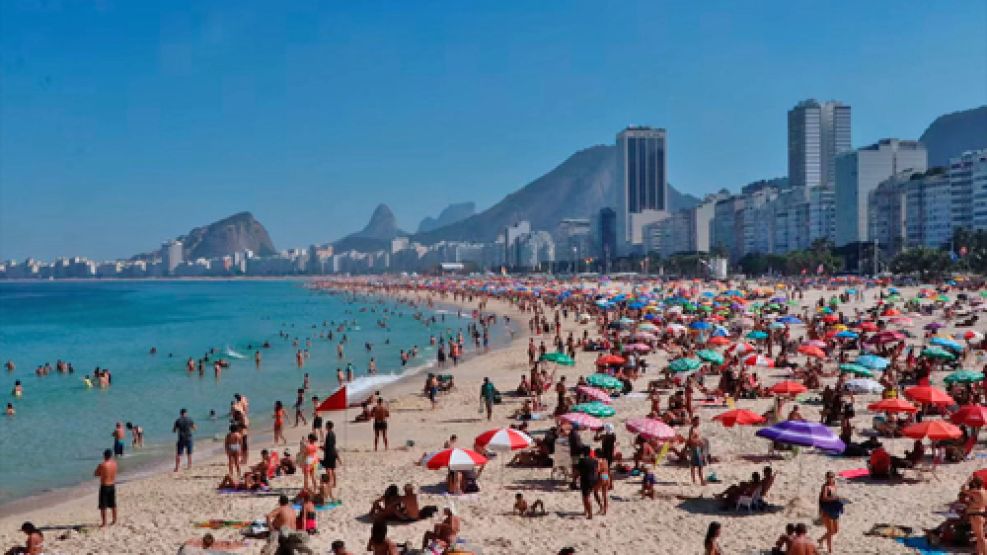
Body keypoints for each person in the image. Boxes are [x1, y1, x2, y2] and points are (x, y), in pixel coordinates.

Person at [817, 471, 842, 553]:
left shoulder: (834, 485)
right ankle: (830, 549)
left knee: (836, 530)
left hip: (834, 509)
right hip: (827, 510)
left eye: (832, 477)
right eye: (829, 477)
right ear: (826, 478)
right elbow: (824, 498)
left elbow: (834, 496)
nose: (830, 478)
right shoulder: (825, 487)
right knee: (830, 530)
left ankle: (821, 539)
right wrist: (834, 498)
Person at [962, 476, 987, 555]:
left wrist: (967, 481)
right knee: (979, 537)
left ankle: (985, 552)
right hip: (980, 514)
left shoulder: (977, 492)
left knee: (981, 537)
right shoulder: (984, 491)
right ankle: (980, 552)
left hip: (976, 515)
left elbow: (963, 489)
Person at [94, 449, 118, 527]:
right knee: (113, 504)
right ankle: (114, 520)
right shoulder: (115, 464)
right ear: (111, 456)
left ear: (104, 456)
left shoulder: (102, 465)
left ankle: (104, 523)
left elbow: (96, 474)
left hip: (104, 486)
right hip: (112, 485)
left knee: (103, 505)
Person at [576, 445, 597, 519]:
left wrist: (574, 478)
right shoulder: (594, 460)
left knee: (586, 497)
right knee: (586, 496)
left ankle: (590, 514)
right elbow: (596, 470)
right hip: (593, 480)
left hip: (585, 480)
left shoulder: (581, 461)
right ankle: (585, 510)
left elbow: (578, 472)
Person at [687, 416, 707, 485]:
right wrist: (698, 442)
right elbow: (690, 439)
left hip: (697, 448)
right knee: (698, 465)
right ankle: (700, 480)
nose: (698, 422)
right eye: (697, 421)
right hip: (695, 448)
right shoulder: (692, 429)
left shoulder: (696, 429)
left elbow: (696, 438)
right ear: (694, 421)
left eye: (699, 421)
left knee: (695, 464)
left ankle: (695, 480)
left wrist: (701, 442)